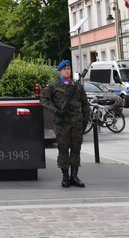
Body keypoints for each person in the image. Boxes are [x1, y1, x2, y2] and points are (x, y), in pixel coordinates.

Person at [40, 60, 90, 188]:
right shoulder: (53, 86)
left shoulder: (77, 86)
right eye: (65, 69)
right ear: (60, 71)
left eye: (69, 68)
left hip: (76, 123)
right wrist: (56, 111)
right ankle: (65, 177)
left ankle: (74, 176)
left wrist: (85, 120)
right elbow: (43, 100)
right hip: (62, 124)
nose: (67, 70)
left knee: (76, 150)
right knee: (63, 151)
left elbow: (85, 103)